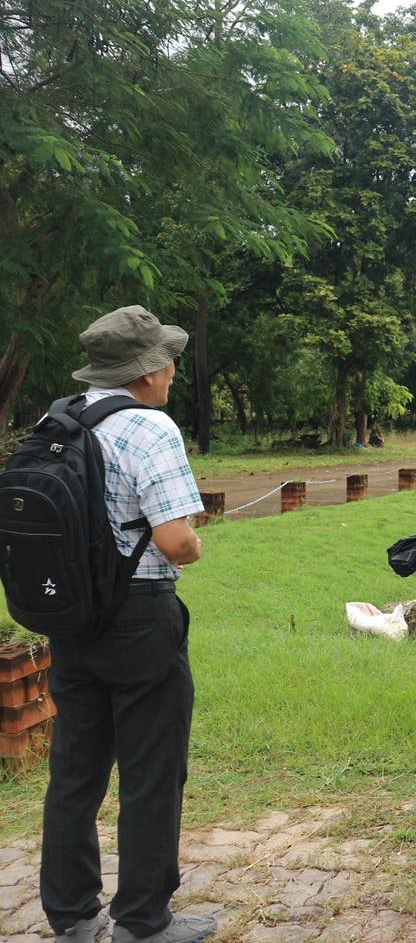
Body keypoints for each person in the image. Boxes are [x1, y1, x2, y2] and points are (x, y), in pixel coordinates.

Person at [41, 307, 213, 943]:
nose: (171, 370)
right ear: (146, 372)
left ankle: (71, 913)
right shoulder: (150, 428)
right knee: (150, 772)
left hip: (70, 619)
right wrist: (194, 543)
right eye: (166, 360)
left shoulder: (57, 419)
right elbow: (176, 542)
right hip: (140, 619)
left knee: (75, 770)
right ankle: (143, 921)